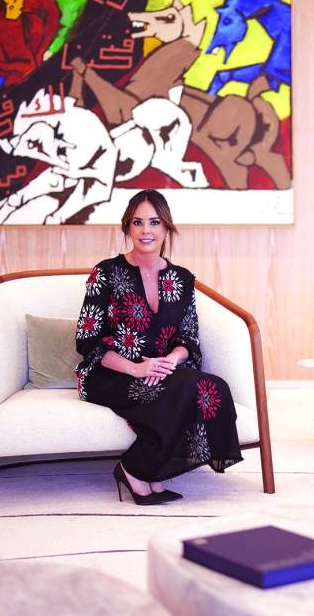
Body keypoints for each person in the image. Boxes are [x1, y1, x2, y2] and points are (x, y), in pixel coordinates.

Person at [75, 189, 242, 505]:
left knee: (213, 388)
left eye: (154, 222)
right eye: (137, 222)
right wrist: (137, 368)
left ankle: (143, 468)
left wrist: (170, 360)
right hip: (110, 372)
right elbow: (88, 340)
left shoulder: (182, 279)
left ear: (166, 227)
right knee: (175, 394)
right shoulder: (105, 273)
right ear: (127, 227)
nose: (146, 230)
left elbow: (188, 339)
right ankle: (139, 471)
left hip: (161, 370)